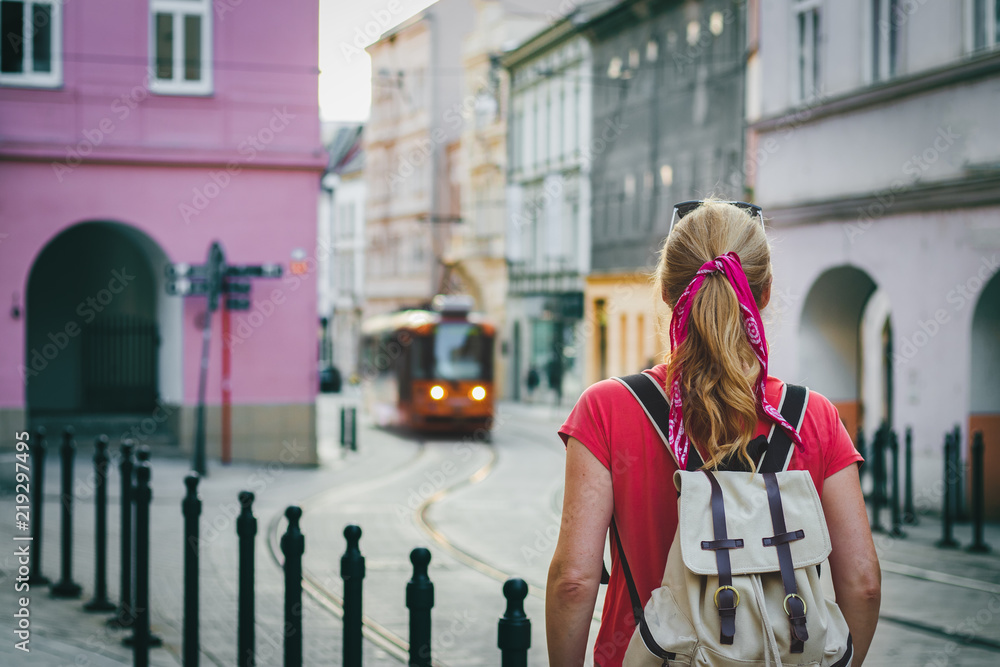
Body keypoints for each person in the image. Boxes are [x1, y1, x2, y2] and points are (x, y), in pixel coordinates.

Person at [546, 200, 881, 666]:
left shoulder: (607, 408)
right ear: (763, 295)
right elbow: (863, 584)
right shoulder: (813, 416)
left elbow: (573, 582)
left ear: (665, 292)